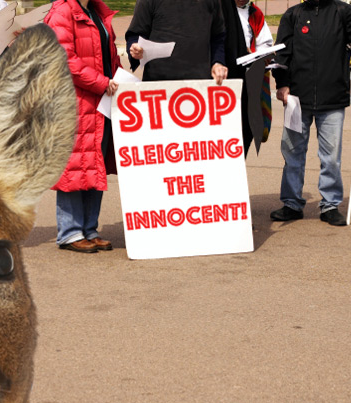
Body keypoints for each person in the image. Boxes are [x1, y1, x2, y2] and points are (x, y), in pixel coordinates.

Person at [270, 0, 351, 226]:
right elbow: (282, 54)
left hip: (333, 99)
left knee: (331, 158)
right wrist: (282, 83)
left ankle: (330, 205)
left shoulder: (344, 12)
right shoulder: (292, 15)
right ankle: (291, 203)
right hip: (296, 99)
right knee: (292, 154)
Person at [44, 0, 120, 253]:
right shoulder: (62, 11)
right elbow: (65, 59)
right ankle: (69, 232)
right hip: (74, 100)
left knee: (93, 163)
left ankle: (89, 229)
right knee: (73, 166)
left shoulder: (96, 10)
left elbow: (109, 55)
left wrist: (118, 78)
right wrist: (101, 82)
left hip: (100, 101)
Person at [125, 0, 228, 85]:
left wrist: (217, 62)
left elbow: (218, 37)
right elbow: (135, 34)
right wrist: (135, 47)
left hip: (199, 84)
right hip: (158, 84)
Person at [222, 0, 273, 156]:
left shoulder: (255, 13)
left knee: (245, 131)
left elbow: (265, 44)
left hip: (248, 81)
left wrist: (263, 55)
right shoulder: (220, 9)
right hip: (222, 78)